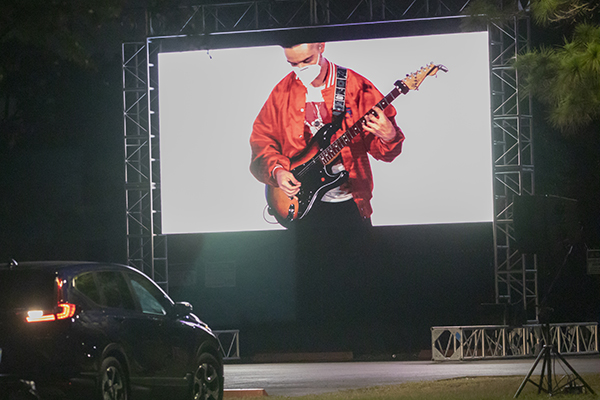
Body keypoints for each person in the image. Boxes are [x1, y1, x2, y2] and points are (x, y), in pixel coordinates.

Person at [249, 42, 405, 353]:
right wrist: (279, 173)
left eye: (306, 59)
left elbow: (382, 149)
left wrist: (388, 134)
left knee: (362, 283)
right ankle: (318, 352)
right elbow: (261, 142)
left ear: (321, 47)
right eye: (293, 63)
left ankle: (367, 352)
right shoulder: (281, 93)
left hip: (351, 203)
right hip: (303, 206)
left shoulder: (356, 87)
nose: (300, 68)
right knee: (312, 285)